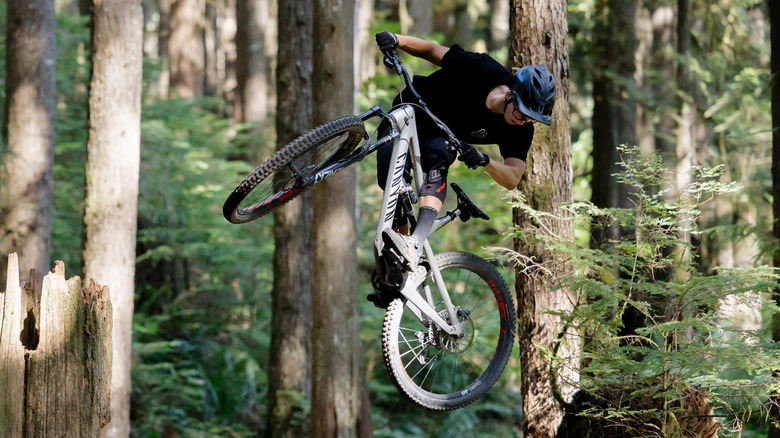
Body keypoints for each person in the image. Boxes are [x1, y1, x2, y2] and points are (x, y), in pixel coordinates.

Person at [375, 30, 556, 271]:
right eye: (522, 113)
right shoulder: (482, 70)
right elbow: (432, 50)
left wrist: (485, 161)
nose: (523, 121)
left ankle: (409, 248)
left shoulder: (520, 130)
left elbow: (513, 177)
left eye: (531, 119)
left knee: (441, 156)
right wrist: (397, 39)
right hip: (411, 109)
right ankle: (394, 256)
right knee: (391, 179)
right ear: (511, 94)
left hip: (437, 137)